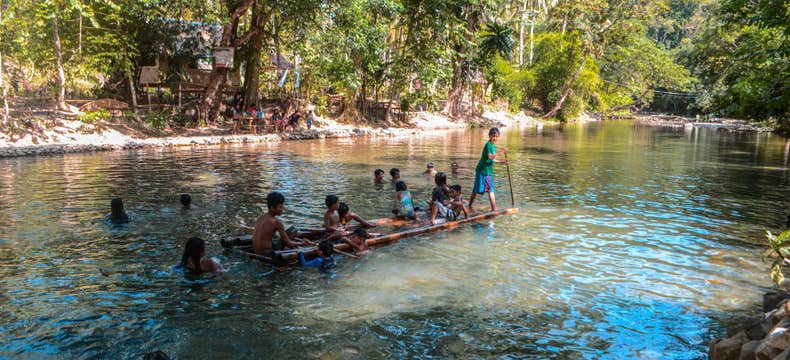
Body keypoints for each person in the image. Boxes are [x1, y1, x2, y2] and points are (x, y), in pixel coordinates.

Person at [469, 127, 507, 211]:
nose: (495, 138)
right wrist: (502, 152)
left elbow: (492, 160)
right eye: (493, 136)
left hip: (488, 172)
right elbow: (490, 157)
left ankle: (493, 209)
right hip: (482, 170)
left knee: (490, 190)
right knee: (476, 189)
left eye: (496, 136)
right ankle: (470, 205)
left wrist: (503, 162)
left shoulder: (493, 147)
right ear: (489, 136)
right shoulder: (488, 145)